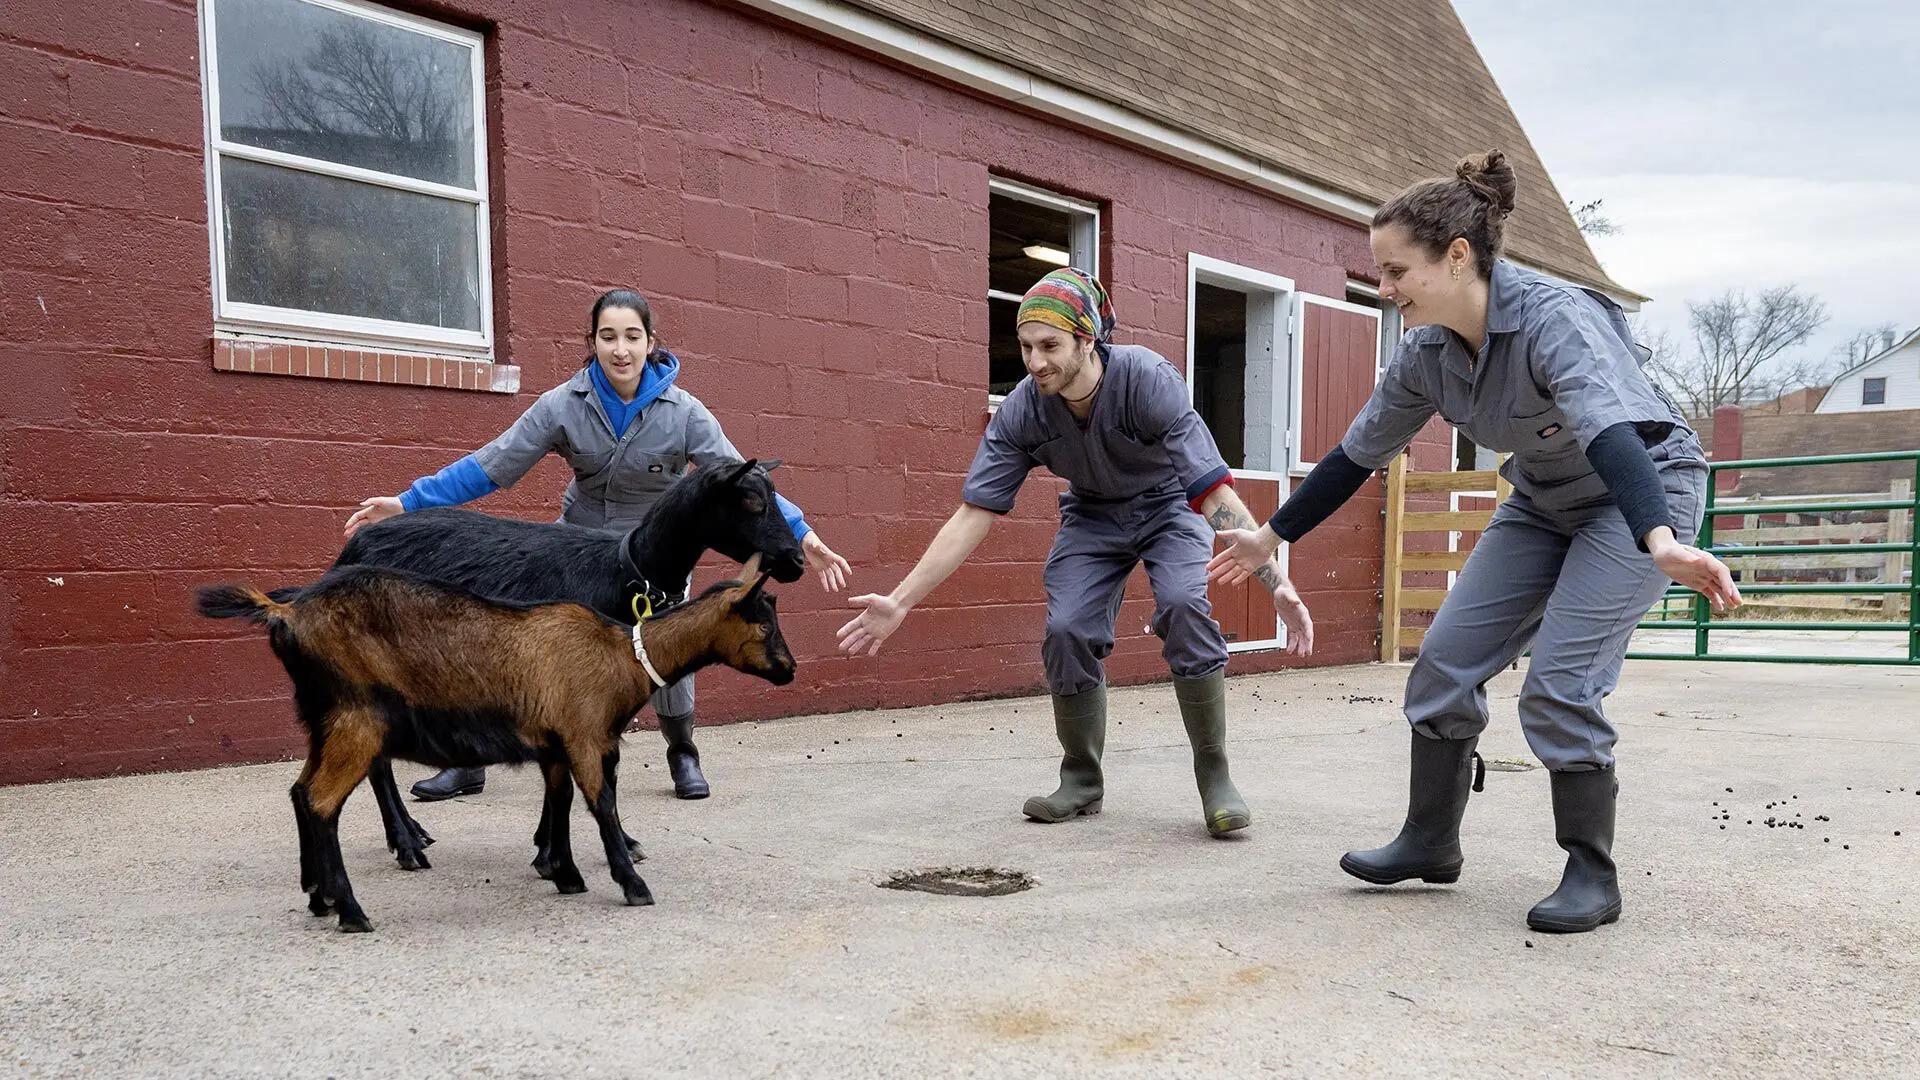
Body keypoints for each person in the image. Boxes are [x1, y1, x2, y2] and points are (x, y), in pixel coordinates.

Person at [1210, 151, 1740, 932]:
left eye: (1395, 272)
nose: (1384, 290)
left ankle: (1593, 874)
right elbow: (1358, 453)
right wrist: (1268, 536)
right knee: (1445, 663)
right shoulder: (1426, 353)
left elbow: (1611, 433)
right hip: (1545, 500)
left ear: (1457, 257)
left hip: (1640, 492)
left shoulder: (1554, 317)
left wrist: (1658, 540)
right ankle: (1431, 841)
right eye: (1380, 274)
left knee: (1560, 682)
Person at [836, 268, 1313, 837]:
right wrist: (900, 601)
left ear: (1088, 340)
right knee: (1066, 628)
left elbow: (1212, 492)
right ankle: (1081, 779)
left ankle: (1215, 776)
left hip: (1168, 507)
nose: (1034, 361)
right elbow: (974, 514)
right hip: (1092, 515)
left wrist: (1272, 577)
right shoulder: (1024, 409)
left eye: (1049, 346)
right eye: (1026, 346)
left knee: (1185, 604)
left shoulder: (1147, 380)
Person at [344, 288, 851, 801]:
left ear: (651, 342)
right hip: (578, 551)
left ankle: (682, 751)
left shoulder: (685, 412)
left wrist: (803, 534)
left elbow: (740, 479)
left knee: (670, 647)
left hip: (657, 554)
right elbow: (495, 463)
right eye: (608, 337)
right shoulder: (564, 404)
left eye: (632, 337)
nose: (621, 350)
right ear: (593, 342)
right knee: (517, 650)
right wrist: (408, 502)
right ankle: (468, 759)